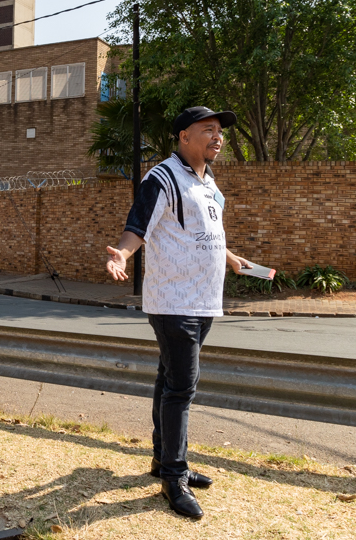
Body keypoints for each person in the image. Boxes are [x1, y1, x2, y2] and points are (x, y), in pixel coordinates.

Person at [105, 106, 251, 520]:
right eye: (208, 130)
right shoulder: (162, 177)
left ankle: (162, 459)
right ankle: (174, 475)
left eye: (219, 132)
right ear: (184, 136)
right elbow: (139, 224)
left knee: (168, 378)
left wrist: (231, 257)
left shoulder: (208, 184)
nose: (217, 137)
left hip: (203, 299)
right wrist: (124, 254)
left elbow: (204, 233)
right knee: (182, 387)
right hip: (173, 300)